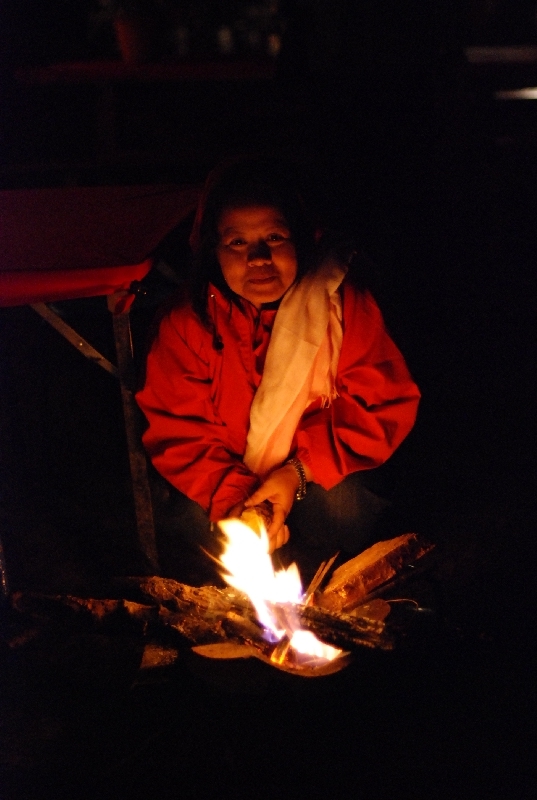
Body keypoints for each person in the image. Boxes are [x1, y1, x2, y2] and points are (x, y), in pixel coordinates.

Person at [135, 157, 420, 584]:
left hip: (314, 473)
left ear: (301, 239)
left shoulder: (341, 302)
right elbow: (179, 429)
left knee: (344, 509)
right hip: (227, 477)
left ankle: (320, 586)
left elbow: (379, 404)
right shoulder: (188, 321)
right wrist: (240, 502)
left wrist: (295, 474)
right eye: (237, 242)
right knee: (195, 524)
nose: (258, 258)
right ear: (212, 250)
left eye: (274, 237)